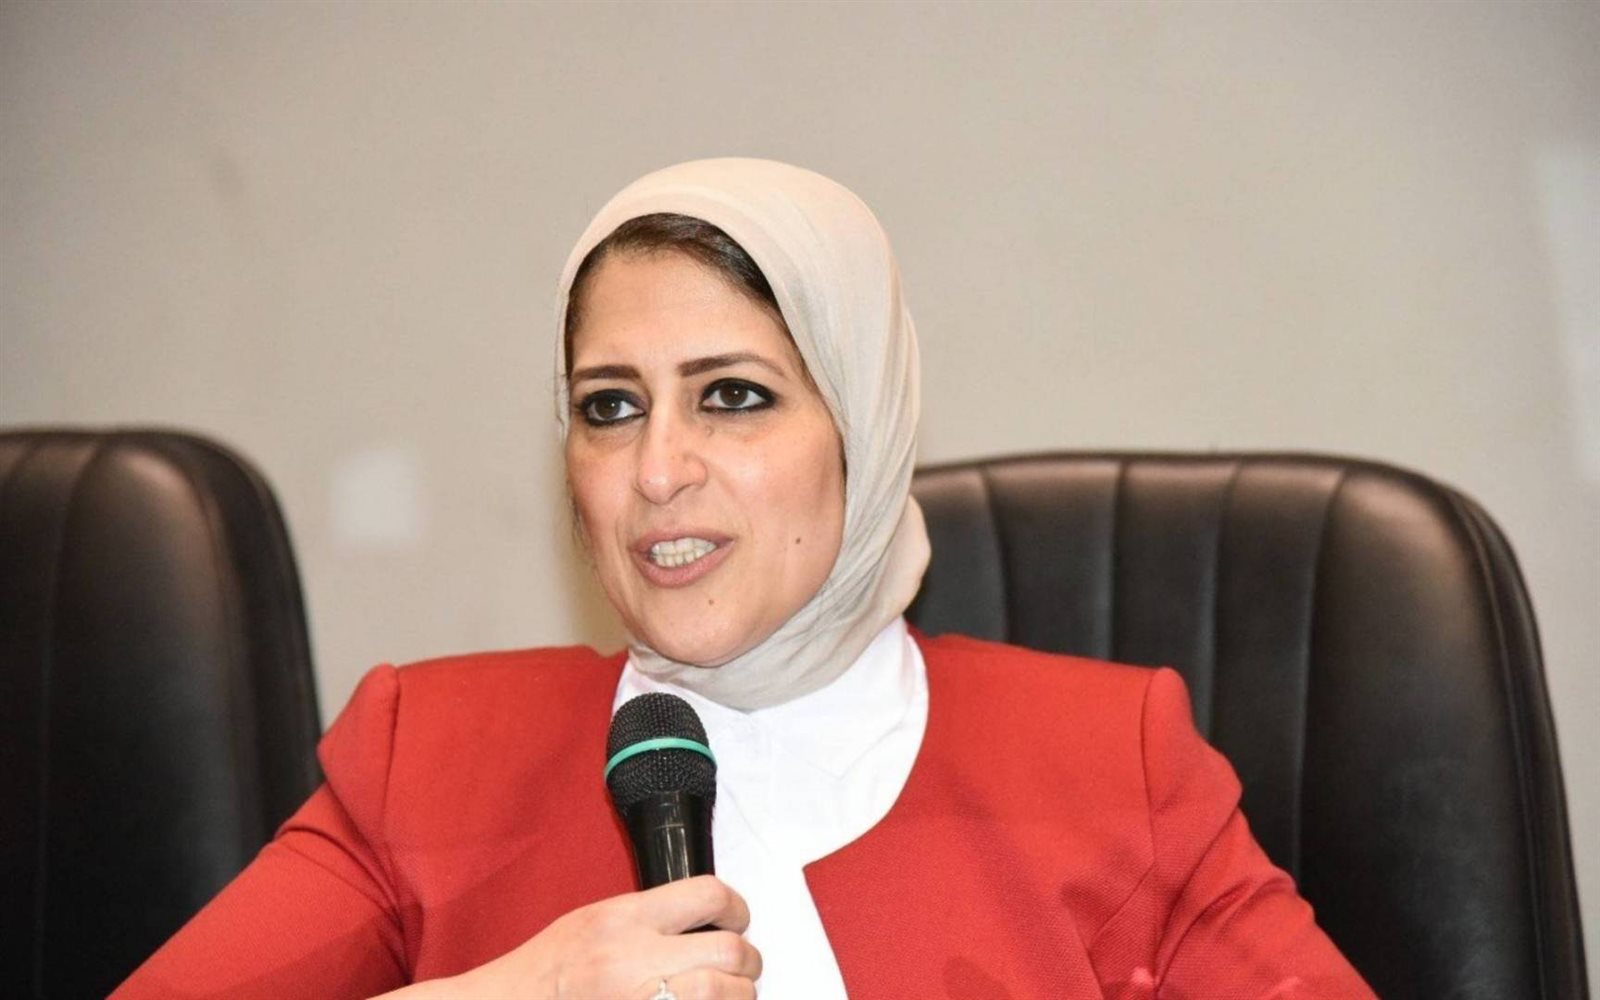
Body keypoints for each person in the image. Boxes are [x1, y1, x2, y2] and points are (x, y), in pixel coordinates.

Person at [114, 159, 1374, 999]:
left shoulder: (1110, 762)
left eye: (732, 395)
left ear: (860, 428)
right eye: (609, 407)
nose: (658, 468)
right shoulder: (424, 755)